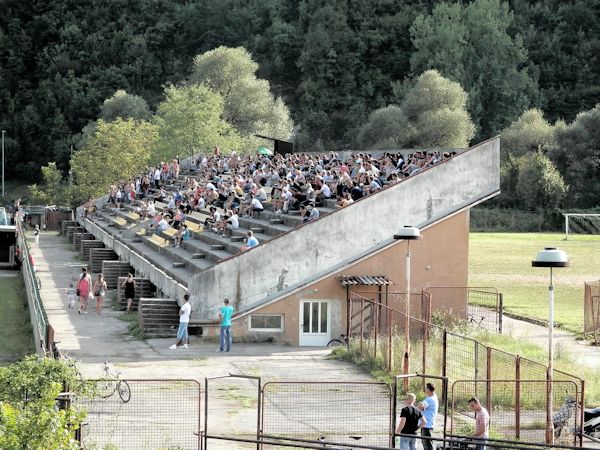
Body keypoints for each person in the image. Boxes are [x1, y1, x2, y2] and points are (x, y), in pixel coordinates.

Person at [417, 383, 439, 450]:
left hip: (426, 424)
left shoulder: (429, 399)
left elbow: (420, 407)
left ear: (429, 389)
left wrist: (420, 403)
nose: (425, 390)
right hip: (427, 424)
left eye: (426, 389)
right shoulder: (433, 397)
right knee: (427, 443)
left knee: (427, 444)